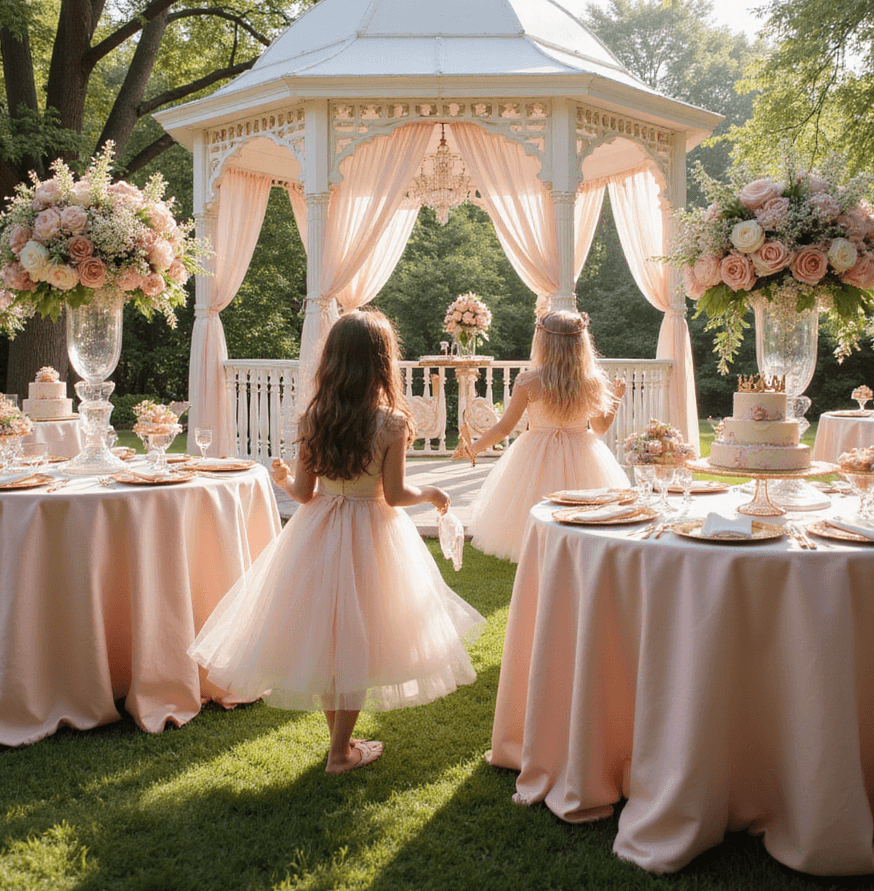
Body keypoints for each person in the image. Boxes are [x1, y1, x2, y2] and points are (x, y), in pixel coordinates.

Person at [188, 310, 484, 775]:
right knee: (360, 639)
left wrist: (284, 480)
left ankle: (339, 743)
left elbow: (305, 494)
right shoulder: (391, 424)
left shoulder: (314, 418)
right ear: (382, 363)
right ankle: (341, 751)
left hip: (319, 530)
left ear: (332, 361)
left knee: (328, 640)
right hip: (372, 533)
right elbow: (394, 494)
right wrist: (432, 493)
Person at [453, 309, 629, 561]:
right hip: (582, 450)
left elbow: (504, 428)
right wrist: (617, 399)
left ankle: (543, 549)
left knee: (535, 506)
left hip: (536, 452)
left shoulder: (528, 381)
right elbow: (599, 429)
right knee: (582, 510)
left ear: (544, 342)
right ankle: (575, 549)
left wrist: (474, 447)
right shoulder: (592, 381)